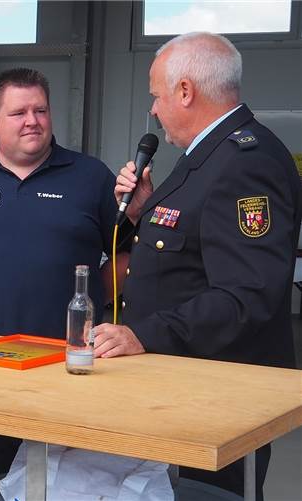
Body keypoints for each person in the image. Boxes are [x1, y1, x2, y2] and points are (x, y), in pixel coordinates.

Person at [92, 31, 302, 499]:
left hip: (217, 393)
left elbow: (247, 294)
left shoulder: (248, 161)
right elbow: (184, 250)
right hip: (178, 384)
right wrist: (140, 211)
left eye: (156, 95)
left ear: (185, 91)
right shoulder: (206, 156)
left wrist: (145, 334)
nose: (153, 109)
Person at [0, 68, 122, 486]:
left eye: (41, 110)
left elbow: (125, 252)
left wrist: (92, 299)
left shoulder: (91, 177)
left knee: (67, 481)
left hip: (65, 363)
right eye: (19, 112)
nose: (32, 120)